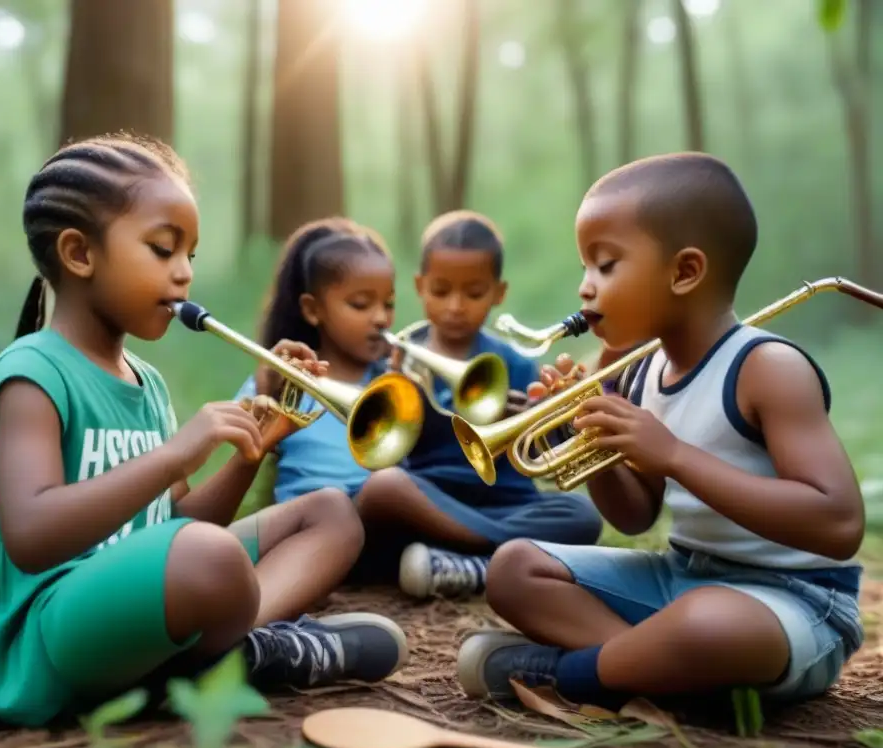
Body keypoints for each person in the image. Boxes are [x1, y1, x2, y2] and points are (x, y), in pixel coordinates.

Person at [0, 134, 408, 729]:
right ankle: (238, 656)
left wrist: (251, 451)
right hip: (39, 623)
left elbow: (176, 528)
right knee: (209, 557)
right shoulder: (32, 373)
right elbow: (31, 535)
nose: (183, 275)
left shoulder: (146, 383)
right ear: (78, 253)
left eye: (190, 256)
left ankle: (218, 658)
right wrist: (176, 454)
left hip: (131, 600)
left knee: (327, 513)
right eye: (163, 249)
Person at [456, 152, 866, 712]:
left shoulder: (767, 368)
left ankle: (570, 674)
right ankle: (656, 669)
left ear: (684, 272)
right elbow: (635, 517)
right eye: (584, 268)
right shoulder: (644, 371)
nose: (585, 288)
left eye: (605, 266)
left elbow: (839, 523)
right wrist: (598, 442)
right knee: (513, 568)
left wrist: (673, 455)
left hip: (794, 601)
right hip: (682, 577)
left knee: (706, 626)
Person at [357, 211, 603, 600]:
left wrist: (532, 420)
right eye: (441, 291)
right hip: (430, 500)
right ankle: (494, 561)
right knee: (383, 488)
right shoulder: (397, 361)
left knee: (581, 515)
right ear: (420, 287)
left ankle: (469, 563)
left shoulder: (515, 363)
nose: (456, 306)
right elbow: (381, 456)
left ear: (498, 293)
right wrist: (397, 400)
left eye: (474, 294)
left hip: (506, 503)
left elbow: (546, 452)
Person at [234, 217, 398, 506]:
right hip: (305, 525)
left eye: (388, 305)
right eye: (360, 304)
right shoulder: (283, 380)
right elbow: (240, 440)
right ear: (312, 310)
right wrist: (266, 392)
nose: (381, 318)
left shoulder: (395, 381)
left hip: (383, 522)